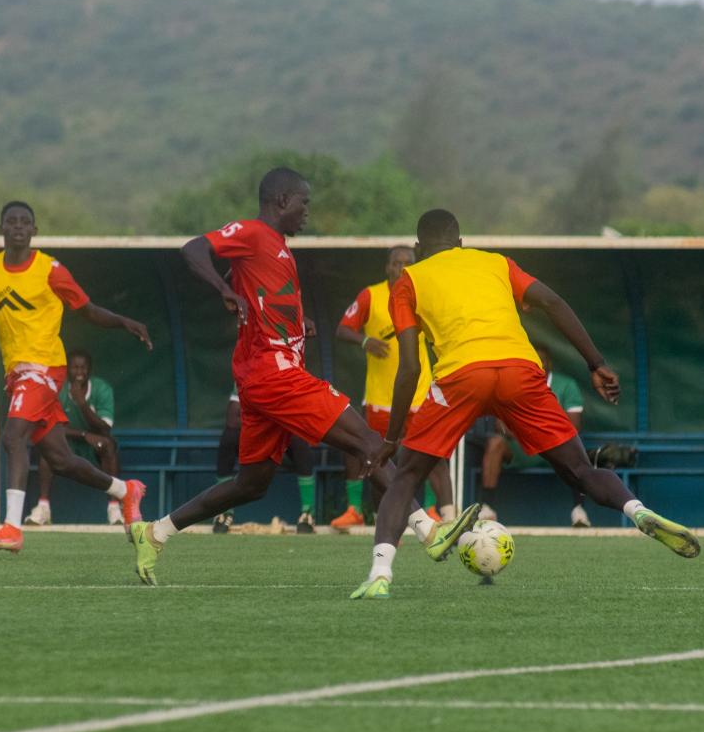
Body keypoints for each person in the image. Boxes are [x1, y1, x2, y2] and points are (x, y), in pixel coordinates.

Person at [124, 168, 478, 585]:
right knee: (368, 441)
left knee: (251, 484)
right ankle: (428, 532)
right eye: (304, 202)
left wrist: (295, 319)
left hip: (263, 377)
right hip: (273, 373)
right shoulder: (254, 233)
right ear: (281, 200)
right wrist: (222, 292)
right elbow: (194, 249)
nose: (308, 211)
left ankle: (153, 532)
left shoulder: (276, 247)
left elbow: (255, 286)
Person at [353, 208, 700, 598]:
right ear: (462, 243)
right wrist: (596, 363)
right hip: (521, 371)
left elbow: (410, 366)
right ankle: (639, 511)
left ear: (417, 250)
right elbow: (552, 302)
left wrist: (392, 437)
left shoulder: (409, 281)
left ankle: (380, 573)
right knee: (580, 471)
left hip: (462, 374)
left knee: (405, 478)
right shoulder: (496, 263)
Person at [0, 200, 152, 553]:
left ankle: (12, 528)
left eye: (25, 222)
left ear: (34, 230)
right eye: (11, 221)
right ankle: (126, 491)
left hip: (45, 368)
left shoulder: (50, 269)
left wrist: (124, 322)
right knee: (61, 460)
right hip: (16, 373)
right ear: (1, 228)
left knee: (13, 436)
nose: (18, 226)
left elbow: (88, 309)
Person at [333, 245, 455, 528]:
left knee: (431, 454)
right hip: (381, 396)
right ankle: (371, 516)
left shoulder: (424, 295)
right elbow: (342, 328)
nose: (401, 268)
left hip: (420, 393)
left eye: (407, 263)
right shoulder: (371, 295)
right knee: (376, 458)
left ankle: (440, 514)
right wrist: (365, 341)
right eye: (396, 263)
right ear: (387, 267)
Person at [478, 343, 592, 528]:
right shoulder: (513, 383)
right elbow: (502, 426)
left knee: (573, 448)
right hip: (522, 448)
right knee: (495, 442)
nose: (538, 364)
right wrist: (529, 432)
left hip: (555, 450)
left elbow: (574, 426)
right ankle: (487, 507)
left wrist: (536, 432)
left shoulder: (566, 385)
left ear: (549, 364)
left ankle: (579, 512)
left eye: (542, 360)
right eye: (533, 360)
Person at [25, 349, 123, 526]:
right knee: (47, 447)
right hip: (67, 444)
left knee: (108, 445)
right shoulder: (59, 389)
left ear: (90, 370)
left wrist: (82, 404)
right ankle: (43, 508)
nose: (79, 372)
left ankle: (115, 509)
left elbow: (106, 427)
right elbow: (51, 427)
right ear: (67, 370)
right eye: (75, 368)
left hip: (94, 447)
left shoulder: (101, 388)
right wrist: (84, 435)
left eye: (83, 368)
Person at [212, 385, 317, 534]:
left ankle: (308, 514)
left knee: (299, 440)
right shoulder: (248, 373)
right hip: (254, 436)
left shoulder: (287, 371)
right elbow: (233, 419)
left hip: (281, 436)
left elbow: (296, 416)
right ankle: (224, 511)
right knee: (228, 438)